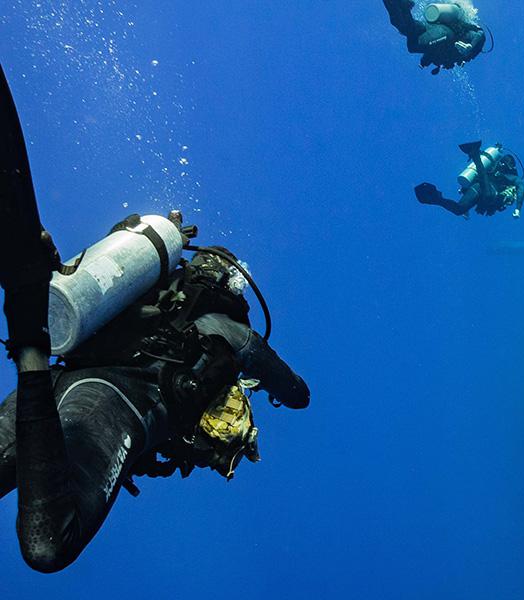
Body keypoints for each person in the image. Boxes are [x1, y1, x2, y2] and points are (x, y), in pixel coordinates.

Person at [0, 63, 309, 573]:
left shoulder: (156, 302)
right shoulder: (231, 332)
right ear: (232, 287)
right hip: (108, 399)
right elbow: (297, 393)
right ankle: (29, 342)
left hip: (70, 371)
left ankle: (34, 334)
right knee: (51, 541)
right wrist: (282, 386)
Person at [415, 140, 524, 218]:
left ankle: (433, 198)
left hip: (477, 187)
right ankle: (475, 154)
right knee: (488, 195)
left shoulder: (494, 169)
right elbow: (521, 186)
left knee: (459, 210)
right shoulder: (512, 177)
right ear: (511, 166)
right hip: (488, 192)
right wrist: (518, 209)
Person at [383, 0, 487, 74]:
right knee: (414, 44)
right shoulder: (469, 41)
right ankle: (405, 6)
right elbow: (481, 35)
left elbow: (432, 52)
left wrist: (424, 62)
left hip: (433, 28)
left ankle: (403, 4)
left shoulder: (450, 56)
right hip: (446, 34)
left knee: (404, 27)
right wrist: (470, 46)